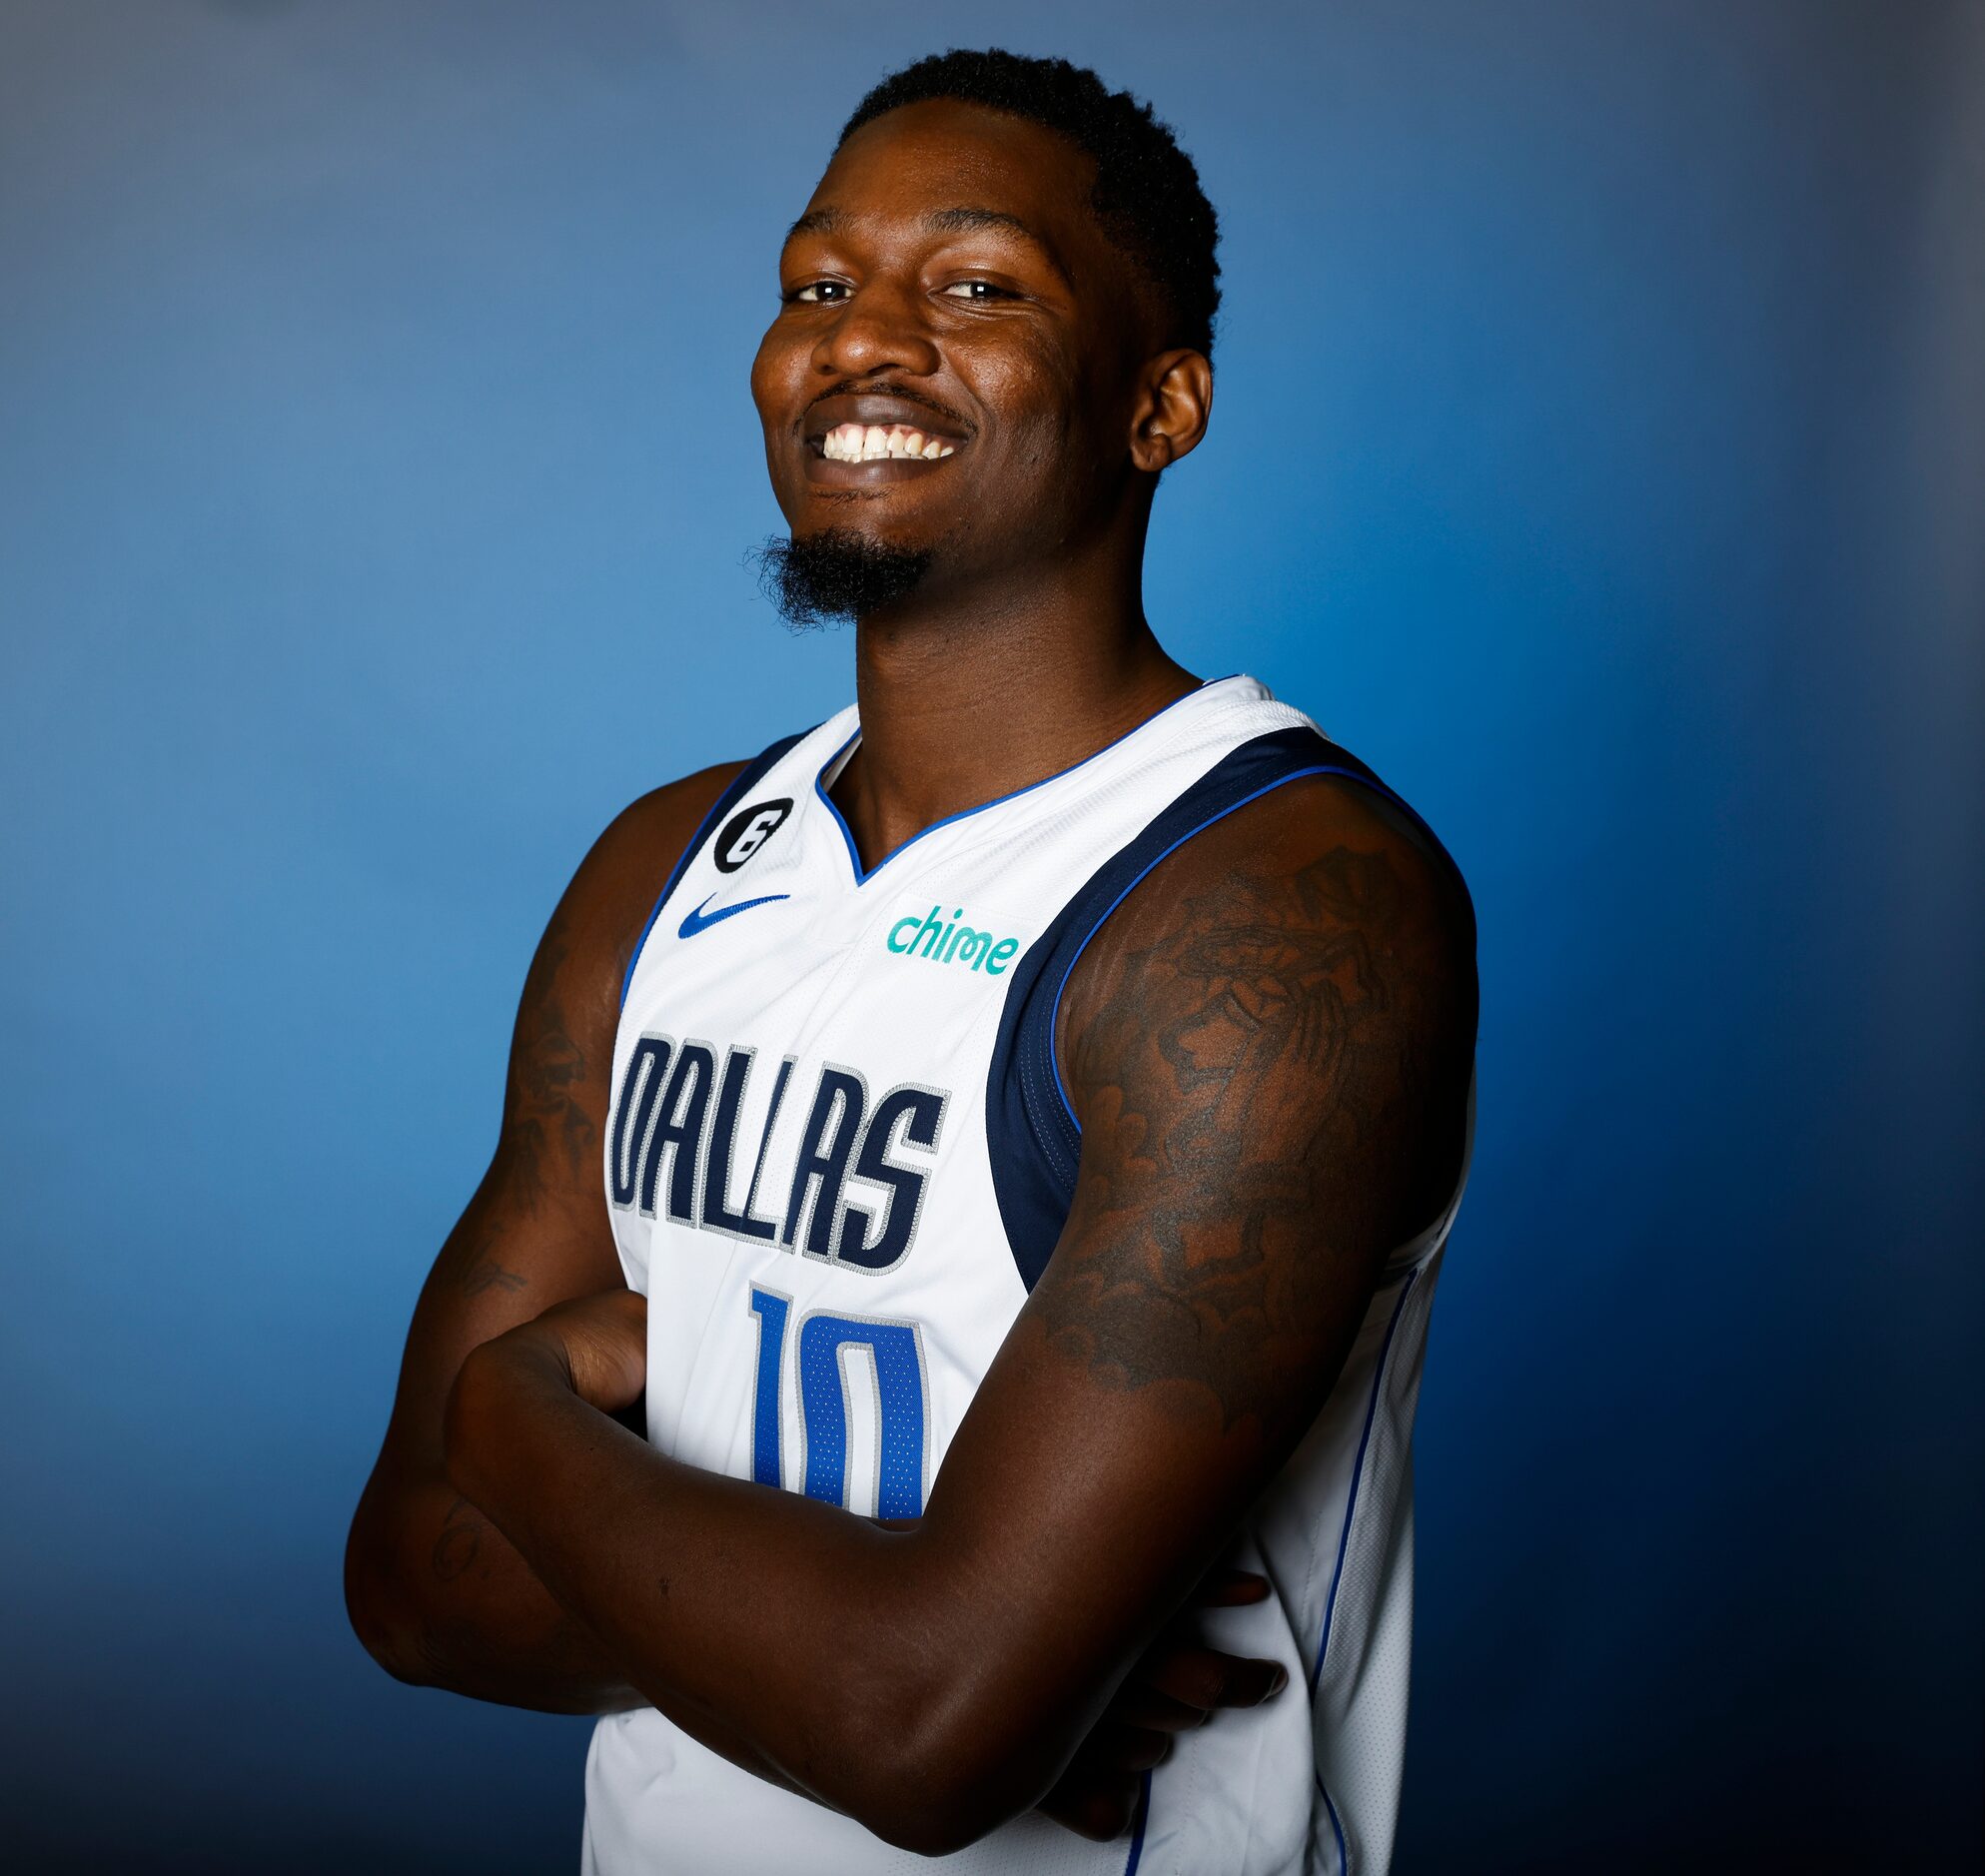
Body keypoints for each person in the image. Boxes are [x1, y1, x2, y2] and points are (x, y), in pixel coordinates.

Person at [345, 48, 1478, 1876]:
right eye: (816, 284)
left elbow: (929, 1732)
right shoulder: (662, 869)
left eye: (975, 287)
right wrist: (870, 1657)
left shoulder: (1273, 906)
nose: (859, 340)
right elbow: (408, 1576)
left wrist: (512, 1414)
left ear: (1160, 403)